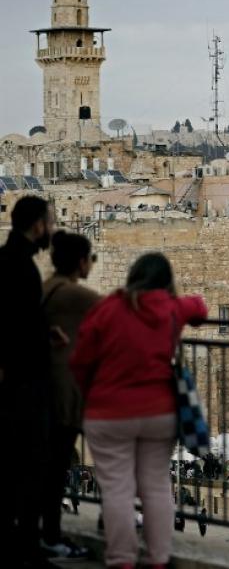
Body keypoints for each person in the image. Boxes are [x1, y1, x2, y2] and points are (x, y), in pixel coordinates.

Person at [71, 253, 208, 569]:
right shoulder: (172, 308)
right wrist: (182, 304)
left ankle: (122, 560)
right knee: (156, 485)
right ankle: (159, 558)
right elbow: (200, 308)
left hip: (109, 413)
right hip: (159, 412)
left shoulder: (107, 309)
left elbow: (80, 359)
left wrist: (91, 392)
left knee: (117, 489)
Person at [0, 196, 58, 569]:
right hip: (24, 384)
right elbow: (17, 327)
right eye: (49, 222)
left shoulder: (7, 260)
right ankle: (27, 550)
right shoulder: (21, 267)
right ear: (37, 225)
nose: (51, 229)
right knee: (30, 467)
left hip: (14, 381)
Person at [39, 231, 100, 561]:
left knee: (47, 469)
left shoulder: (46, 288)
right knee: (56, 470)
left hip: (42, 393)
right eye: (91, 258)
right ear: (80, 262)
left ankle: (44, 533)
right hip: (63, 398)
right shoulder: (76, 295)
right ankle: (51, 536)